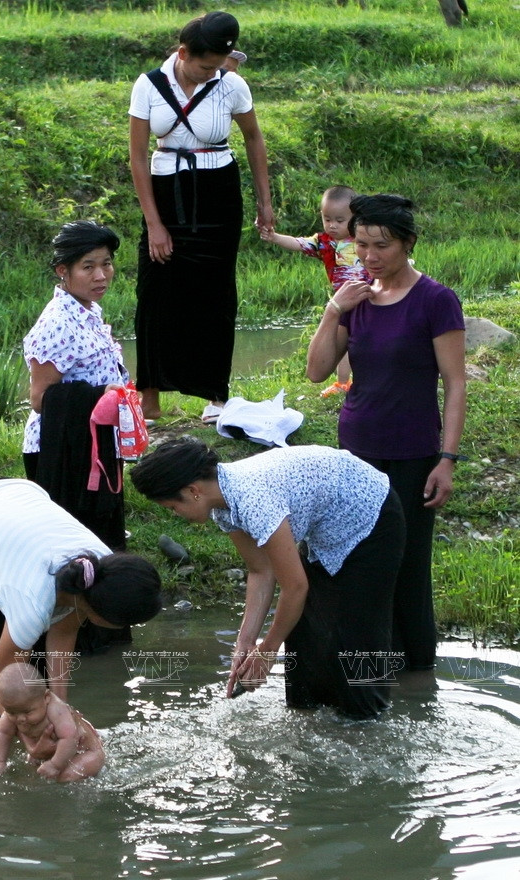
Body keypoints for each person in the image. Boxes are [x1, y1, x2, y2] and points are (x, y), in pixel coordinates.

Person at [130, 438, 406, 719]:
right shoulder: (223, 504)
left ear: (193, 491)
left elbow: (295, 587)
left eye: (172, 508)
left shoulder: (254, 500)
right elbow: (261, 570)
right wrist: (245, 644)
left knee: (357, 636)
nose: (175, 515)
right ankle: (308, 716)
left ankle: (367, 724)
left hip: (370, 517)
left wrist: (267, 651)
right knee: (305, 633)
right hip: (325, 529)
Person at [306, 193, 466, 672]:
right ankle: (366, 665)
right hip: (356, 453)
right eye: (361, 246)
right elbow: (317, 373)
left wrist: (447, 459)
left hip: (412, 452)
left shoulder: (435, 301)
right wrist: (333, 309)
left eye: (382, 246)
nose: (370, 257)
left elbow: (455, 384)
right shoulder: (355, 297)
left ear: (408, 243)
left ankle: (416, 670)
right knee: (357, 560)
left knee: (408, 566)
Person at [0, 478, 163, 737]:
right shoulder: (32, 602)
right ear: (99, 614)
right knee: (5, 666)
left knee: (34, 674)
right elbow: (1, 681)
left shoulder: (95, 575)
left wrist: (62, 708)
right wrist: (33, 741)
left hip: (12, 501)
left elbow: (63, 632)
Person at [129, 11, 275, 424]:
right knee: (155, 295)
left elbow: (252, 137)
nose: (213, 73)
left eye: (218, 66)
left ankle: (215, 396)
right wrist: (155, 224)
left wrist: (265, 202)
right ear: (182, 53)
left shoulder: (230, 85)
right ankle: (150, 400)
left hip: (218, 197)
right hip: (165, 195)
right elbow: (138, 157)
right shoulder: (149, 86)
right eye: (205, 65)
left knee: (215, 297)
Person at [23, 220, 129, 551]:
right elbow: (41, 399)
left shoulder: (88, 310)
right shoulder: (57, 324)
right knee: (73, 550)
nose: (101, 275)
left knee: (102, 545)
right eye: (88, 267)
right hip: (63, 452)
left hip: (94, 444)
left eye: (106, 264)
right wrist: (101, 396)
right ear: (62, 271)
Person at [261, 185, 372, 396]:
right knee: (344, 340)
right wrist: (275, 237)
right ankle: (343, 383)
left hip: (368, 298)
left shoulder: (363, 241)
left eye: (340, 221)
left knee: (366, 341)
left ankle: (366, 380)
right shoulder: (323, 243)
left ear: (355, 218)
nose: (332, 225)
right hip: (343, 301)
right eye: (327, 219)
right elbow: (298, 243)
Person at [0, 663, 105, 783]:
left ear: (46, 697)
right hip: (55, 752)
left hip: (87, 752)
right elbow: (2, 733)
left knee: (66, 776)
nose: (20, 719)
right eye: (12, 713)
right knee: (31, 771)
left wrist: (54, 765)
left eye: (27, 712)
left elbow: (70, 739)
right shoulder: (15, 710)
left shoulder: (57, 711)